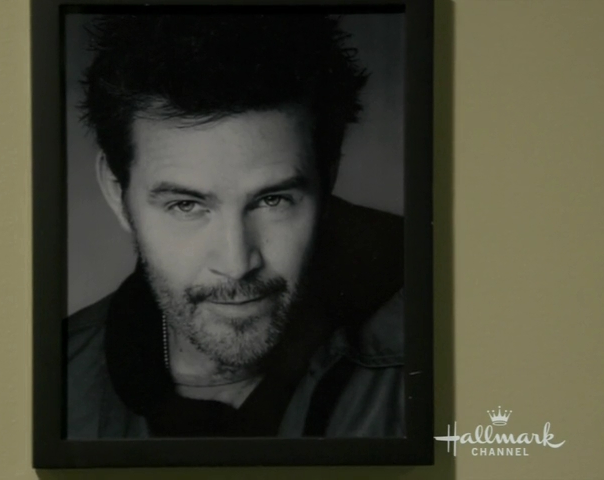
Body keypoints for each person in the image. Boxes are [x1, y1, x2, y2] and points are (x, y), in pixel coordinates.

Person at [66, 14, 405, 439]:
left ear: (328, 178)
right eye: (186, 205)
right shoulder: (56, 379)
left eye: (272, 200)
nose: (237, 263)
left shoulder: (437, 345)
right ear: (117, 193)